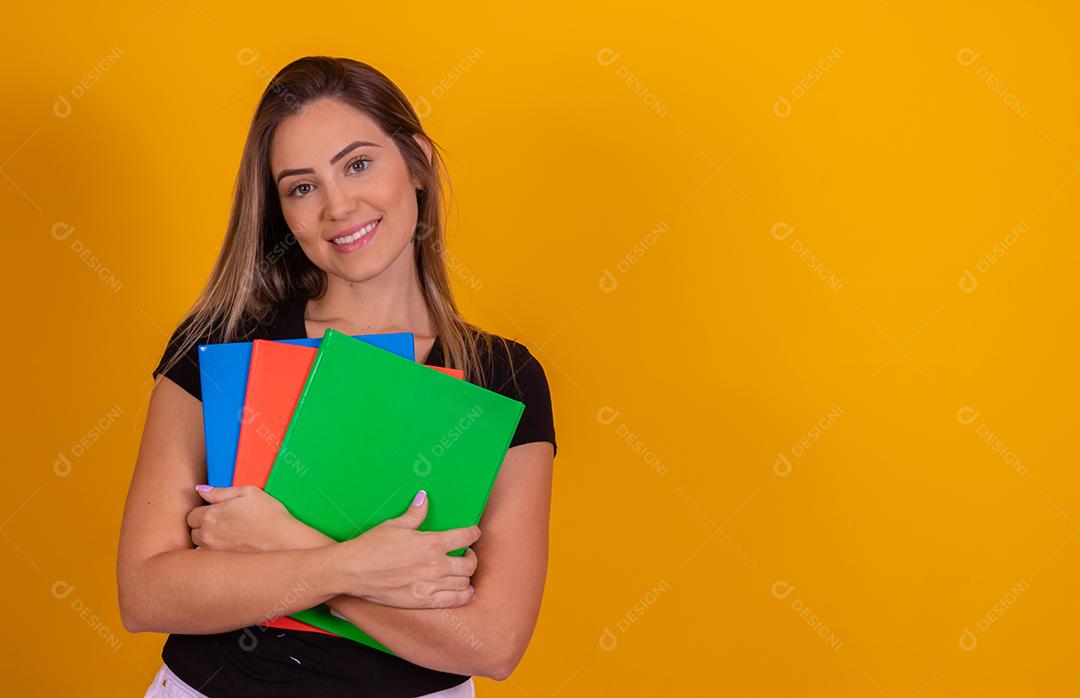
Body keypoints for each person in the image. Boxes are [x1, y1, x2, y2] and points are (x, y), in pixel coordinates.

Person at [116, 56, 557, 698]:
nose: (338, 206)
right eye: (302, 186)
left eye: (357, 164)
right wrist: (360, 567)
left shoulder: (502, 378)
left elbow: (491, 643)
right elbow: (146, 594)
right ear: (282, 212)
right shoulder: (220, 342)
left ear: (417, 162)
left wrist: (282, 545)